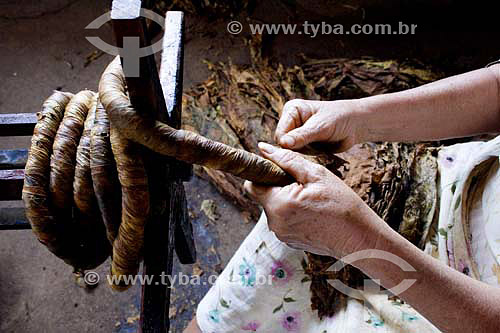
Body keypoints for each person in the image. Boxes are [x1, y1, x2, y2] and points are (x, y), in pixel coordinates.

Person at [185, 60, 500, 332]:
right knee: (279, 245)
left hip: (460, 311)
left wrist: (357, 240)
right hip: (452, 187)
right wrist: (358, 117)